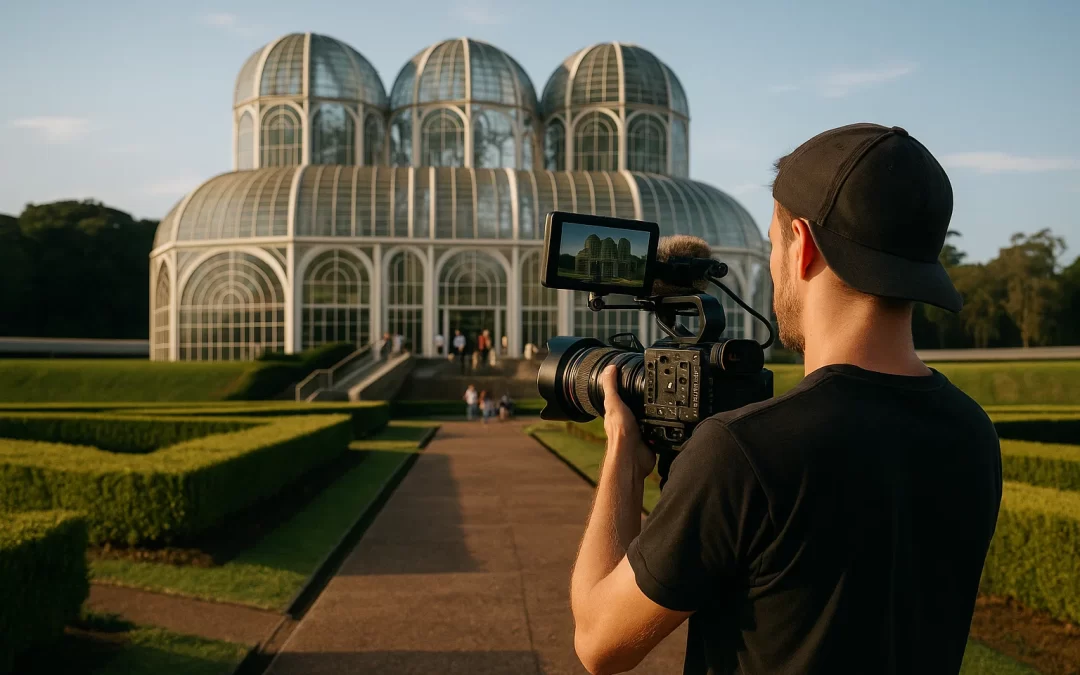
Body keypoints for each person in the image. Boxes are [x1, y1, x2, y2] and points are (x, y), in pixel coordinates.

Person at [568, 124, 1002, 675]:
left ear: (804, 247)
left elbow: (599, 642)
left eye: (776, 246)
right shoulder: (971, 430)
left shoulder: (744, 452)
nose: (773, 269)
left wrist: (622, 458)